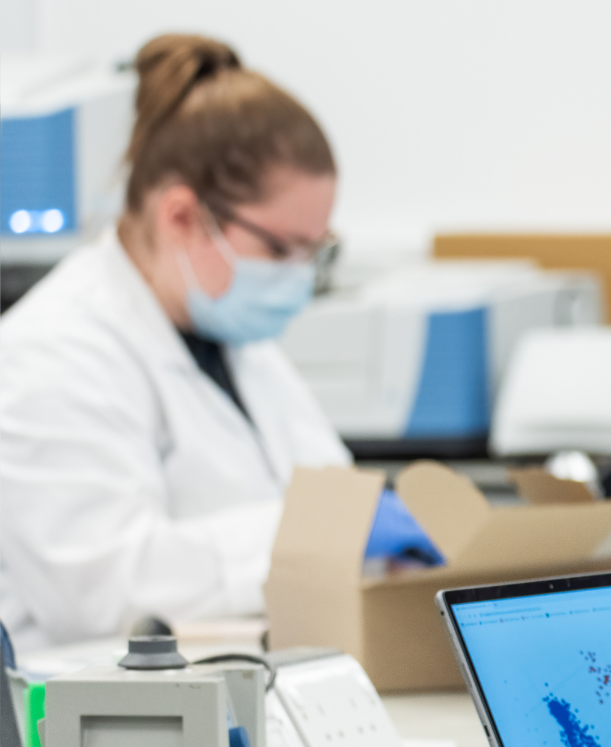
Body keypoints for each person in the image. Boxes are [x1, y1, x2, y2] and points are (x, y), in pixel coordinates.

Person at [0, 35, 353, 651]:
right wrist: (325, 533)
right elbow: (107, 593)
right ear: (182, 216)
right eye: (279, 249)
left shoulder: (237, 344)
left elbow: (334, 495)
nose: (298, 275)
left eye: (315, 250)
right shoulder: (49, 354)